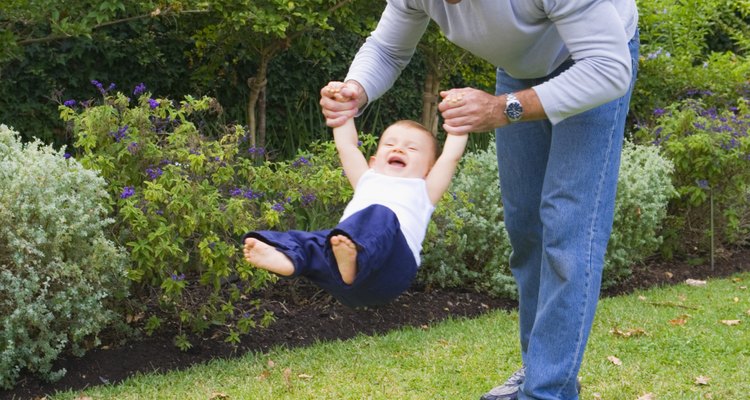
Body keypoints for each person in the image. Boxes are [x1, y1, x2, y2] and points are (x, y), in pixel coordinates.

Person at [319, 1, 639, 399]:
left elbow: (609, 70)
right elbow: (387, 49)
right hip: (520, 72)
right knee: (526, 232)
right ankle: (539, 370)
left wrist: (502, 108)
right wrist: (356, 88)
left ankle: (547, 391)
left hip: (593, 65)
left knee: (568, 231)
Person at [243, 84, 468, 308]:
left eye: (412, 148)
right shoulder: (367, 178)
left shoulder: (424, 189)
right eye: (390, 144)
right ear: (373, 161)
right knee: (317, 241)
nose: (398, 149)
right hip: (345, 281)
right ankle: (289, 259)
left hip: (390, 271)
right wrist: (341, 105)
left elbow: (450, 157)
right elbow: (347, 146)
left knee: (381, 214)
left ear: (429, 170)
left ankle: (353, 257)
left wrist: (460, 117)